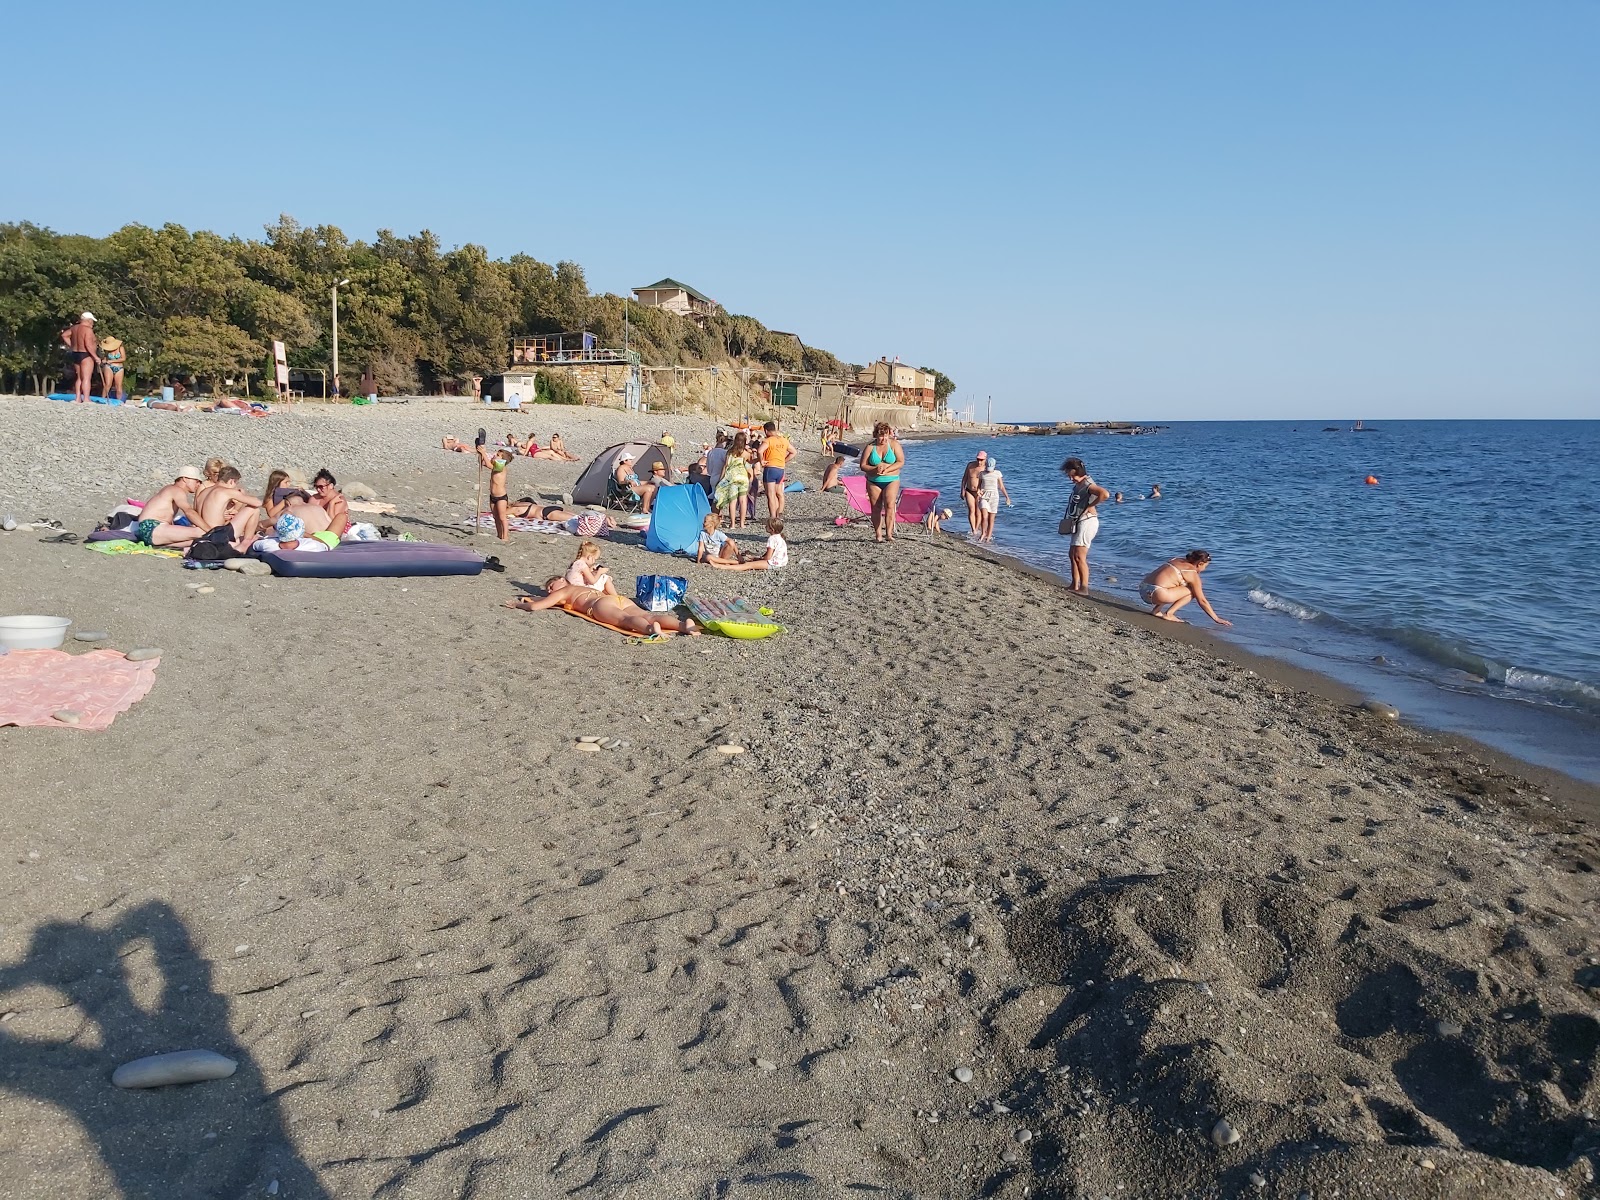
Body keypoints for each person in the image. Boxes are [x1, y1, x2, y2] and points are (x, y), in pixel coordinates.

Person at [505, 577, 701, 637]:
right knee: (648, 615)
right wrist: (529, 598)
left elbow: (536, 607)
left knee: (625, 621)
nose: (549, 589)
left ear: (562, 581)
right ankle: (683, 625)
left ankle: (650, 630)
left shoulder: (564, 591)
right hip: (618, 599)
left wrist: (518, 605)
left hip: (599, 604)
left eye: (551, 585)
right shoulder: (583, 586)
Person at [1140, 550, 1231, 626]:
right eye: (1205, 566)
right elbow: (1202, 600)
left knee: (1176, 582)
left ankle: (1157, 610)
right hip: (1157, 594)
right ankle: (1169, 614)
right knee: (1192, 590)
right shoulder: (1191, 573)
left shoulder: (1176, 559)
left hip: (1143, 589)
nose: (1204, 569)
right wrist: (1216, 618)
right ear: (1200, 564)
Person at [1060, 457, 1110, 594]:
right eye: (1069, 476)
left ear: (1079, 472)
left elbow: (1105, 494)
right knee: (1072, 554)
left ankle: (1084, 587)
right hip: (1078, 521)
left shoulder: (1088, 484)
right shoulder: (1079, 485)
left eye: (1072, 476)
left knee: (1079, 556)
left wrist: (1090, 506)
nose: (1071, 479)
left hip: (1087, 521)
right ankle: (1074, 584)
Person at [131, 468, 207, 548]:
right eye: (197, 481)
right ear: (185, 479)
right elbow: (189, 511)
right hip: (152, 527)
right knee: (201, 532)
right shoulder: (177, 490)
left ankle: (163, 545)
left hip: (147, 530)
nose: (198, 485)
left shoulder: (170, 489)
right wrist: (209, 529)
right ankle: (162, 545)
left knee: (198, 541)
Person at [860, 422, 906, 542]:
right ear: (876, 435)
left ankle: (889, 534)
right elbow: (863, 465)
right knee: (876, 508)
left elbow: (900, 462)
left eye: (886, 435)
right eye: (881, 436)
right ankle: (878, 534)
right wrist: (874, 469)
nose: (884, 438)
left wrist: (887, 468)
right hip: (873, 481)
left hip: (891, 479)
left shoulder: (894, 444)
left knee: (890, 505)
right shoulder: (870, 447)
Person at [707, 517, 788, 571]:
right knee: (751, 561)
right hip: (782, 562)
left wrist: (759, 559)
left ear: (772, 529)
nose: (765, 527)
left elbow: (768, 557)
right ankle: (728, 564)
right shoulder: (780, 537)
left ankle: (722, 566)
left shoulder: (772, 539)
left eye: (767, 526)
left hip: (774, 563)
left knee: (748, 565)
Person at [714, 433, 753, 528]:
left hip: (732, 478)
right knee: (743, 500)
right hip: (743, 478)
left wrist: (720, 479)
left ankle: (732, 524)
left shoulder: (730, 452)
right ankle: (742, 524)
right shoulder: (747, 454)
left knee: (733, 501)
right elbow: (749, 464)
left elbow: (725, 466)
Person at [759, 420, 795, 518]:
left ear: (766, 431)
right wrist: (784, 461)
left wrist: (761, 460)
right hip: (780, 469)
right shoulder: (783, 440)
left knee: (770, 495)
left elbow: (760, 450)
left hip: (770, 468)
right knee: (775, 493)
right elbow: (793, 452)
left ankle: (773, 517)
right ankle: (777, 515)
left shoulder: (768, 440)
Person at [59, 313, 98, 404]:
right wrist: (95, 357)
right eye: (92, 321)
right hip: (85, 354)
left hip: (76, 353)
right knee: (86, 378)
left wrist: (72, 345)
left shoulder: (74, 328)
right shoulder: (87, 330)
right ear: (88, 320)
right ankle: (86, 399)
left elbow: (64, 335)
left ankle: (77, 398)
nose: (92, 324)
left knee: (79, 378)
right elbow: (88, 345)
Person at [477, 445, 513, 541]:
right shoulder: (495, 464)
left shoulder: (501, 467)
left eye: (498, 455)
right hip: (492, 496)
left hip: (501, 497)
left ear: (503, 460)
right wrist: (480, 455)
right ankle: (499, 534)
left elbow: (489, 466)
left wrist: (484, 453)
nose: (494, 455)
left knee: (502, 517)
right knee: (496, 517)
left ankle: (505, 537)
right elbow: (483, 463)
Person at [976, 456, 1012, 543]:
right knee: (984, 516)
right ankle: (983, 533)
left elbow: (1001, 487)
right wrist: (978, 491)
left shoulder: (997, 473)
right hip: (984, 496)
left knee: (991, 519)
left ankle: (988, 537)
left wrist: (1007, 497)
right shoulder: (982, 473)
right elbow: (979, 486)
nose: (989, 470)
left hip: (994, 497)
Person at [309, 469, 350, 535]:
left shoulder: (339, 500)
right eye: (316, 487)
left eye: (321, 487)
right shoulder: (314, 499)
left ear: (331, 486)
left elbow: (332, 522)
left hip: (336, 531)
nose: (318, 490)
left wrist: (331, 504)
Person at [960, 450, 988, 534]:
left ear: (985, 459)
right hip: (969, 490)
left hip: (979, 492)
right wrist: (962, 490)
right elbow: (964, 478)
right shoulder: (970, 465)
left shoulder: (986, 468)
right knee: (971, 510)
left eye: (981, 460)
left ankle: (977, 527)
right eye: (978, 459)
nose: (979, 461)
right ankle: (974, 530)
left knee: (978, 511)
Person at [98, 335, 125, 400]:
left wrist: (111, 361)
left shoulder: (120, 348)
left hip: (119, 368)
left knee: (118, 386)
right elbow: (105, 358)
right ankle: (103, 399)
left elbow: (123, 358)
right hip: (109, 367)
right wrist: (103, 361)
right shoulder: (107, 350)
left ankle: (119, 401)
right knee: (107, 384)